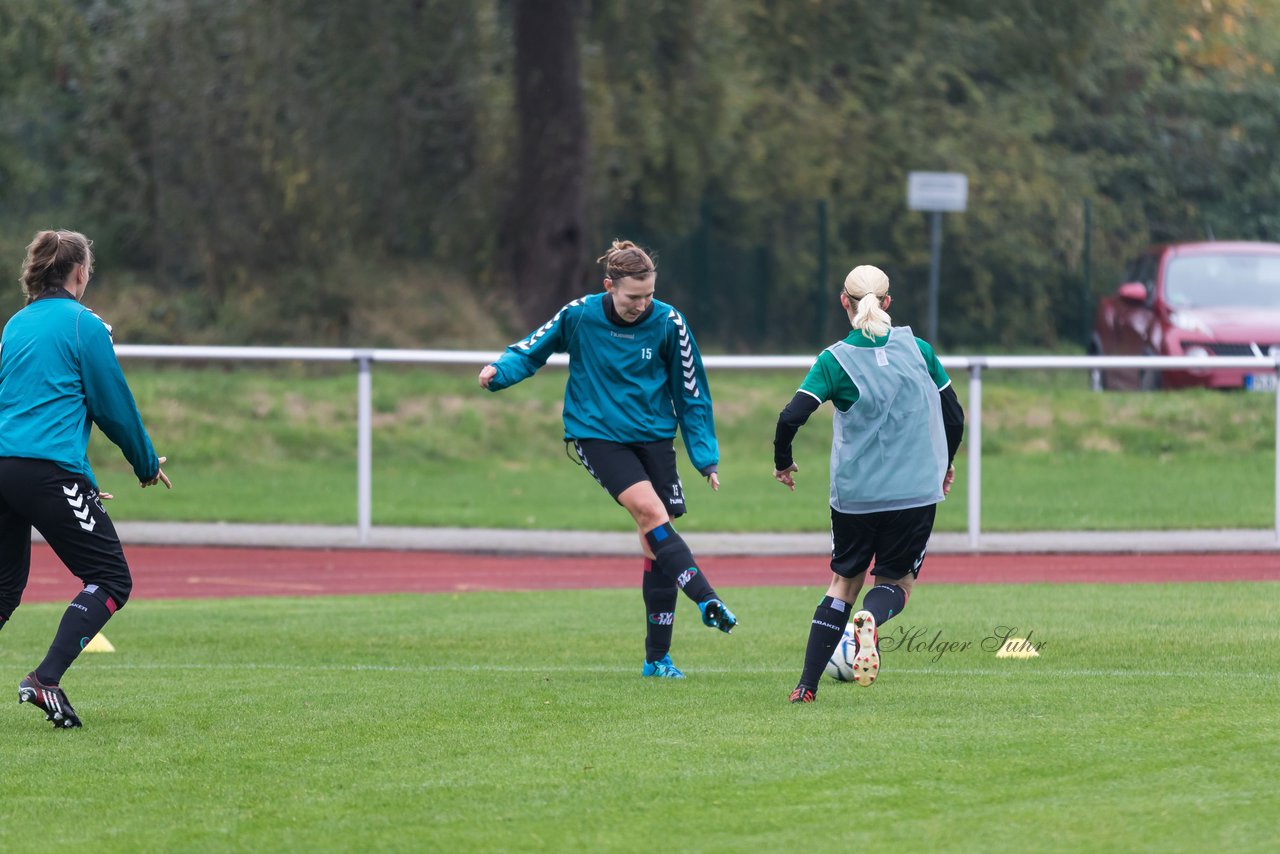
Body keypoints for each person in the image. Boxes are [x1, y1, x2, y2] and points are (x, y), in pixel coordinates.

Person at [478, 239, 736, 678]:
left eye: (649, 295)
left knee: (654, 541)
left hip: (654, 437)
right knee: (651, 513)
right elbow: (532, 348)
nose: (642, 304)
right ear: (609, 286)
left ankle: (657, 659)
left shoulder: (670, 322)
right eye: (633, 296)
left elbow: (691, 392)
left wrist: (704, 456)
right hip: (597, 435)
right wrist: (499, 372)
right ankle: (708, 598)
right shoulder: (579, 314)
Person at [0, 230, 171, 728]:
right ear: (79, 272)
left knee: (4, 590)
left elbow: (27, 407)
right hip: (47, 470)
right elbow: (113, 406)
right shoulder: (84, 325)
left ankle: (45, 680)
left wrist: (82, 477)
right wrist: (146, 463)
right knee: (111, 579)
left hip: (6, 467)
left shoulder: (15, 325)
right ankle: (44, 679)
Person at [773, 264, 964, 703]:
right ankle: (871, 621)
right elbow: (953, 414)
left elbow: (790, 417)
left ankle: (805, 686)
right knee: (894, 585)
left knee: (842, 584)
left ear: (845, 301)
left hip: (856, 495)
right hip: (915, 491)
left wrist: (783, 462)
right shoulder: (918, 350)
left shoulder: (834, 359)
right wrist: (946, 463)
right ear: (888, 302)